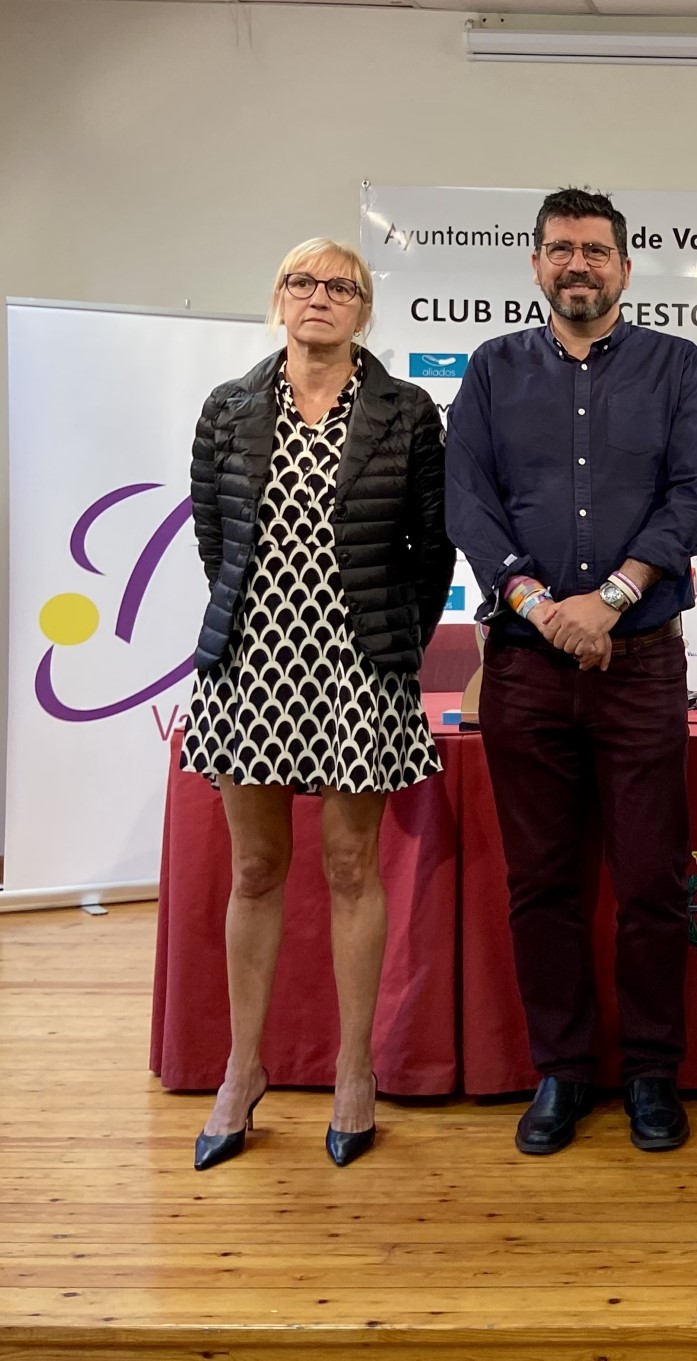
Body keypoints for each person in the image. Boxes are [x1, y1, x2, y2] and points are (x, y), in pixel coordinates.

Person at [445, 187, 697, 1156]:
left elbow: (691, 497)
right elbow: (470, 502)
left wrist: (608, 599)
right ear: (535, 264)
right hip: (525, 668)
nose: (578, 265)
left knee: (651, 883)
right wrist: (538, 607)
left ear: (624, 269)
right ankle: (561, 1071)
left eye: (596, 251)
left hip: (639, 662)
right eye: (561, 249)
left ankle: (650, 1073)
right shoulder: (492, 368)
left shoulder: (675, 366)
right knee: (542, 885)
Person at [182, 238, 455, 1170]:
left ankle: (353, 1070)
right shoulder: (227, 407)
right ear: (279, 298)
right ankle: (241, 1069)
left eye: (342, 286)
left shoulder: (406, 412)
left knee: (350, 868)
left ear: (364, 309)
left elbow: (433, 549)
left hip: (358, 666)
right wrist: (255, 617)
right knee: (256, 869)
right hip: (249, 663)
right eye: (303, 282)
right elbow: (214, 536)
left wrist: (394, 644)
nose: (320, 298)